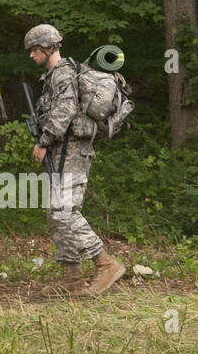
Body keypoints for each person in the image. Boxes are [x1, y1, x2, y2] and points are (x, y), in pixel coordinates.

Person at [25, 24, 124, 297]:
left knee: (64, 210)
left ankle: (105, 263)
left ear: (49, 48)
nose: (31, 55)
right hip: (63, 149)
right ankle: (72, 278)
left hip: (70, 149)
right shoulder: (53, 75)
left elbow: (66, 109)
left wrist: (44, 140)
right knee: (56, 213)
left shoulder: (63, 73)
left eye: (35, 49)